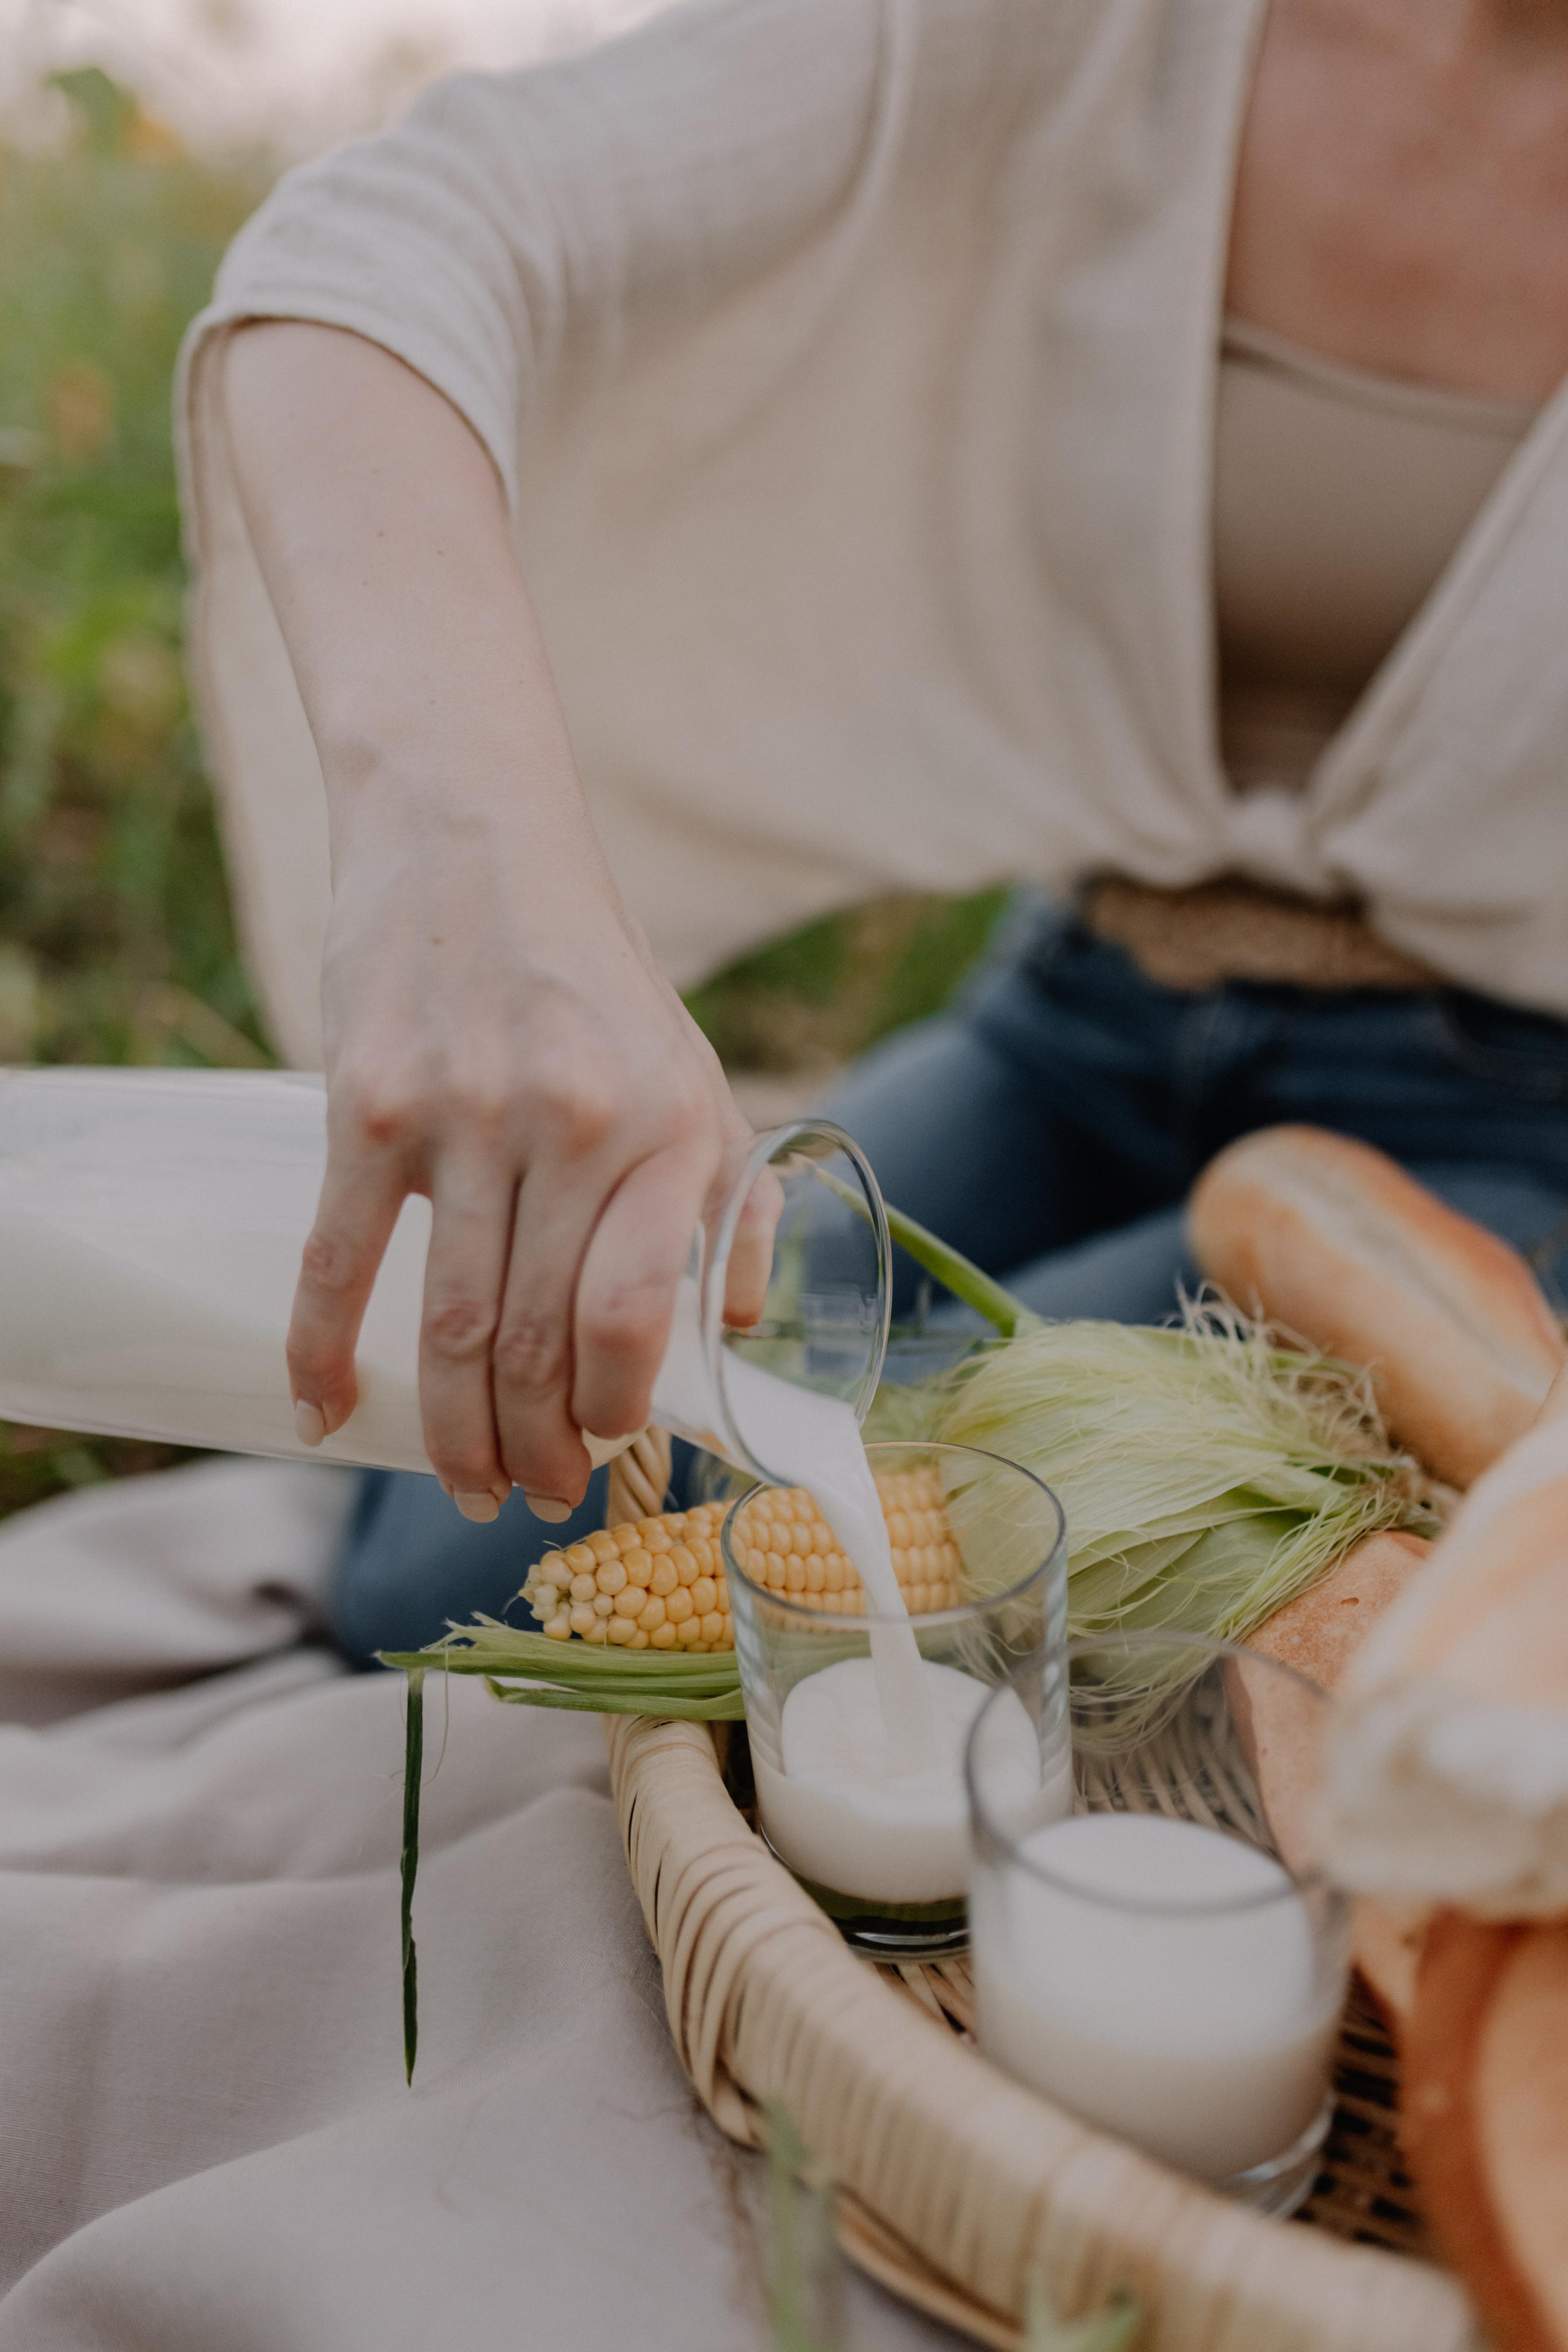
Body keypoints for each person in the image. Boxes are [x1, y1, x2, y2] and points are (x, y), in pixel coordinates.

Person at [178, 0, 1568, 1658]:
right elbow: (376, 250)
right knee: (448, 1554)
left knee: (885, 1544)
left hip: (1497, 1123)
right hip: (1088, 1006)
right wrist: (479, 874)